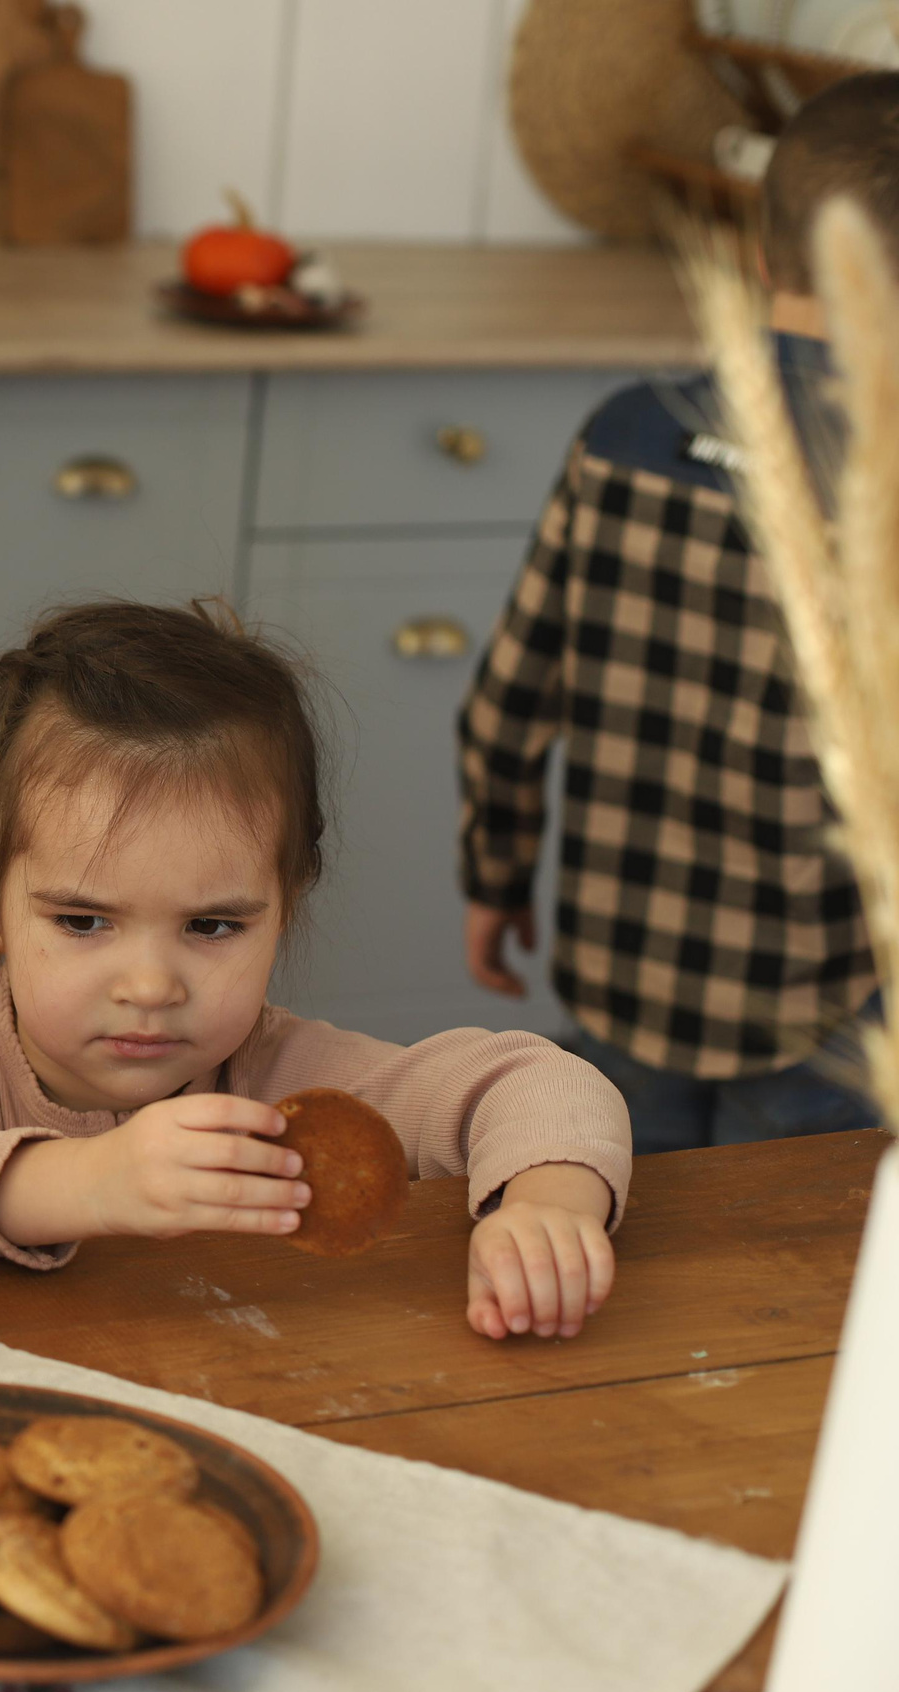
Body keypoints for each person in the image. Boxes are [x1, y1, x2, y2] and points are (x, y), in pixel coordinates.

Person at [0, 600, 631, 1341]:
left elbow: (539, 1081)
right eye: (82, 920)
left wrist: (545, 1207)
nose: (149, 986)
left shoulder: (289, 1080)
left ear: (283, 907)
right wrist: (90, 1183)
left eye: (211, 925)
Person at [455, 75, 899, 1153]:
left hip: (621, 966)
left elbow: (507, 700)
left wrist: (494, 874)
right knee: (776, 1279)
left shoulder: (620, 434)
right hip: (817, 1002)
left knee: (622, 1237)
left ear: (756, 248)